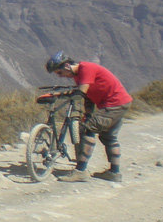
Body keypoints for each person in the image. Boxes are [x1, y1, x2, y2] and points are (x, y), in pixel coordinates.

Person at [44, 51, 133, 183]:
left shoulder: (86, 68)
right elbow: (88, 96)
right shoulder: (79, 75)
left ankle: (80, 171)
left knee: (87, 130)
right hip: (119, 103)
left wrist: (61, 95)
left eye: (60, 72)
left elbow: (81, 93)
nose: (61, 76)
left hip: (114, 104)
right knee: (108, 137)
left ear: (67, 65)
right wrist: (88, 114)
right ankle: (114, 173)